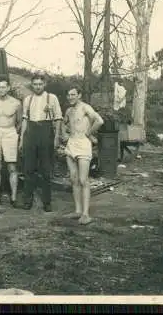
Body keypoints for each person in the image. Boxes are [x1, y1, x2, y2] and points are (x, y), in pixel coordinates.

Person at [19, 72, 63, 212]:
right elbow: (25, 120)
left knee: (45, 169)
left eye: (40, 84)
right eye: (35, 84)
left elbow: (58, 119)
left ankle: (47, 201)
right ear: (32, 85)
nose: (38, 87)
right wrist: (22, 139)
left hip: (46, 131)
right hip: (31, 132)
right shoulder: (28, 99)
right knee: (29, 168)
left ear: (44, 84)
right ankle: (27, 200)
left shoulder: (52, 98)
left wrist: (56, 138)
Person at [61, 86, 104, 225]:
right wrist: (64, 133)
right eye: (68, 95)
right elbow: (63, 123)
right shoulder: (68, 110)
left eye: (73, 94)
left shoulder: (86, 108)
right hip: (71, 144)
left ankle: (86, 214)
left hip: (83, 144)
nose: (70, 97)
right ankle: (78, 210)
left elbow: (99, 121)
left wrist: (89, 133)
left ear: (79, 95)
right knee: (73, 178)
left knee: (83, 179)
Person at [0, 75, 23, 206]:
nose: (1, 90)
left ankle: (13, 198)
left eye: (3, 87)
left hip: (10, 132)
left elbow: (20, 122)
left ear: (8, 88)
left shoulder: (16, 103)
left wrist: (12, 132)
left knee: (12, 167)